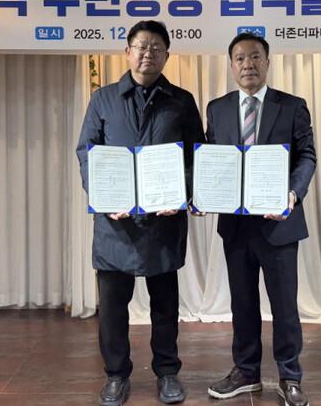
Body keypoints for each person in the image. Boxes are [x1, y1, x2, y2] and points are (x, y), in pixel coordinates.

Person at [76, 20, 204, 406]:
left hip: (163, 221)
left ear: (167, 55)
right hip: (115, 224)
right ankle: (116, 375)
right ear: (127, 52)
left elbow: (196, 155)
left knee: (165, 305)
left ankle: (167, 372)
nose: (149, 54)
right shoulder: (103, 99)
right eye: (142, 46)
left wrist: (181, 193)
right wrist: (103, 196)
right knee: (113, 309)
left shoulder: (181, 101)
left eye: (157, 48)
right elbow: (87, 152)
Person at [205, 33, 316, 406]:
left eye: (255, 57)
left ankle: (290, 375)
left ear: (267, 62)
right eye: (239, 58)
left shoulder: (292, 106)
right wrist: (201, 194)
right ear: (231, 65)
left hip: (279, 221)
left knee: (284, 305)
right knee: (242, 302)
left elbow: (307, 156)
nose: (247, 64)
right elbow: (211, 160)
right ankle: (246, 372)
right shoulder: (217, 109)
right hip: (236, 225)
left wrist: (293, 193)